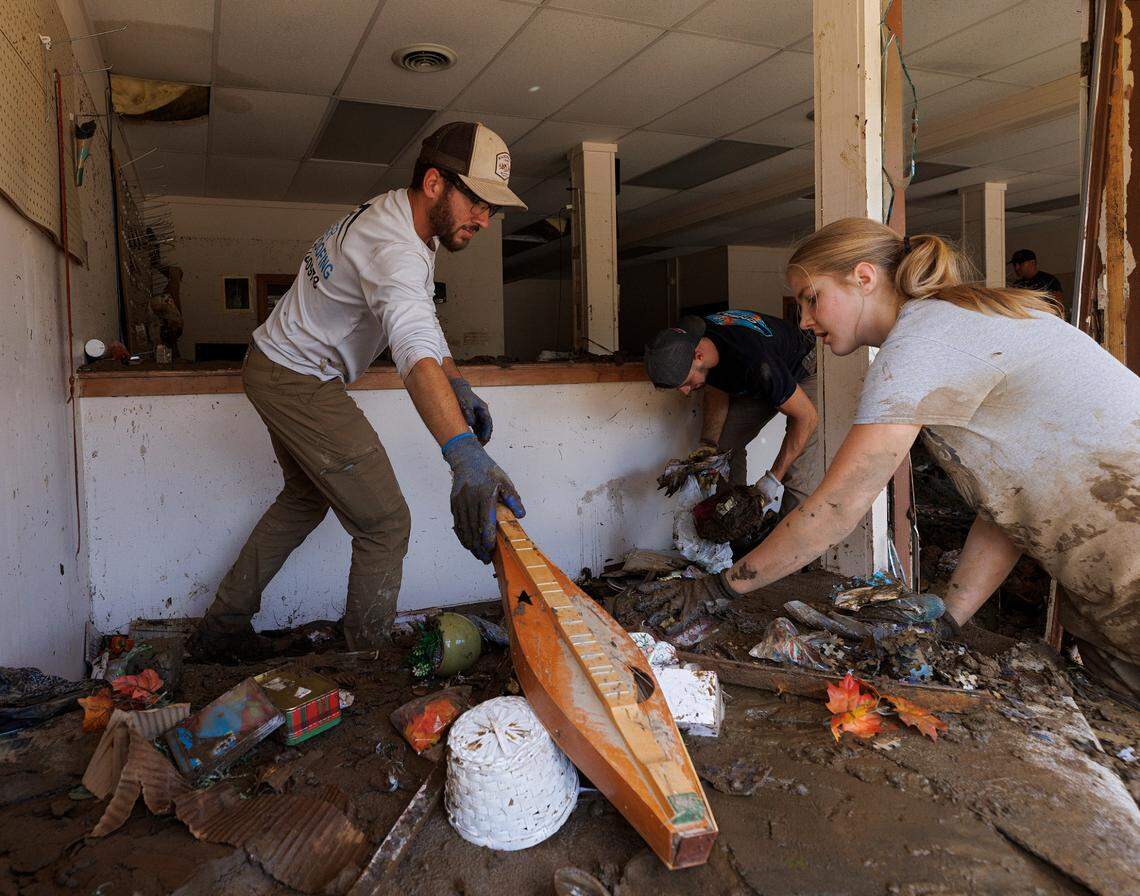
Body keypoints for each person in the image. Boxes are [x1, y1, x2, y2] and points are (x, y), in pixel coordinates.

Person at [642, 218, 1140, 699]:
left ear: (863, 277)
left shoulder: (920, 344)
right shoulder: (956, 322)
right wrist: (948, 619)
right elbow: (1008, 505)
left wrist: (717, 591)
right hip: (1106, 574)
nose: (805, 321)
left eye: (812, 299)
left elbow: (838, 507)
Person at [190, 121, 528, 657]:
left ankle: (221, 629)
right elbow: (413, 351)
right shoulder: (394, 247)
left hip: (276, 366)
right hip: (296, 379)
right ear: (436, 183)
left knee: (303, 500)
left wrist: (457, 379)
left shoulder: (403, 215)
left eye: (493, 207)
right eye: (478, 201)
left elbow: (422, 320)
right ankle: (364, 661)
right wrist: (462, 452)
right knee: (385, 523)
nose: (485, 219)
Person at [644, 310, 820, 516]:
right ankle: (735, 524)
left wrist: (772, 480)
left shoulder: (754, 360)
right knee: (723, 453)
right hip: (763, 373)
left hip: (802, 364)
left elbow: (807, 417)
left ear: (699, 356)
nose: (684, 391)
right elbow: (717, 387)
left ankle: (794, 542)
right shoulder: (698, 340)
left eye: (686, 382)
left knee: (798, 471)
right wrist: (708, 446)